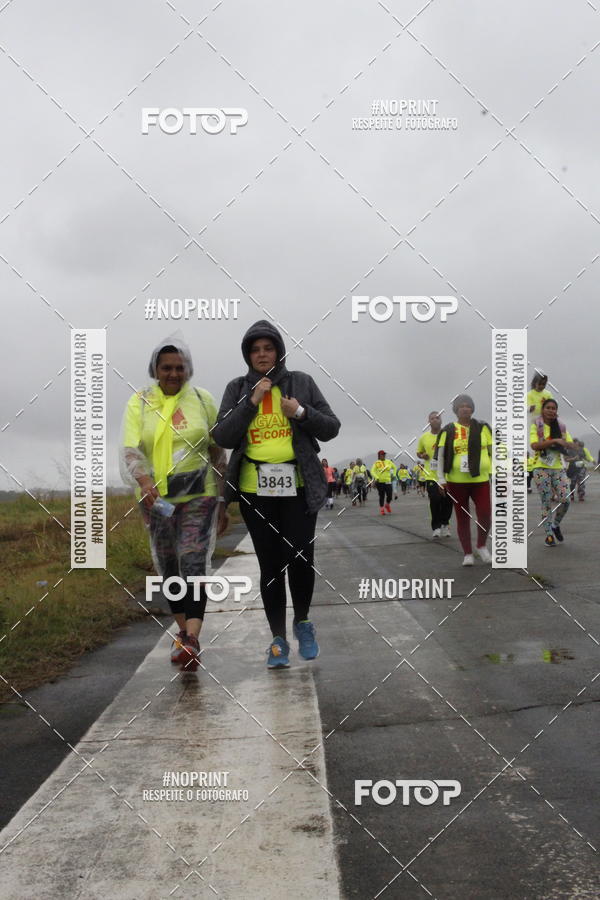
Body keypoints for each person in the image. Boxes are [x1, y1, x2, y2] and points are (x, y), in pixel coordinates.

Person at [212, 320, 340, 668]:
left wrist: (299, 411)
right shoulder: (237, 388)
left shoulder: (301, 382)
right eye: (255, 350)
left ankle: (302, 622)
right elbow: (221, 436)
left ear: (279, 351)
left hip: (298, 486)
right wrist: (250, 402)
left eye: (268, 348)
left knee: (300, 558)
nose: (262, 354)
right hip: (257, 491)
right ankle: (278, 640)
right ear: (247, 355)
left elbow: (332, 427)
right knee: (270, 566)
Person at [120, 334, 228, 671]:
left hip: (199, 494)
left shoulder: (202, 399)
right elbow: (131, 449)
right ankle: (183, 635)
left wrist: (223, 499)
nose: (173, 373)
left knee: (193, 562)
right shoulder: (139, 402)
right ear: (155, 369)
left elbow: (217, 451)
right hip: (157, 500)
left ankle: (192, 637)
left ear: (188, 369)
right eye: (166, 367)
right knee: (168, 568)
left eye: (180, 367)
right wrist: (144, 480)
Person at [435, 395, 493, 566]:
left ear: (473, 409)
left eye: (468, 406)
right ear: (455, 410)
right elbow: (440, 456)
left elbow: (493, 451)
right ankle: (467, 553)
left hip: (480, 479)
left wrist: (500, 473)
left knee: (485, 513)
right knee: (462, 517)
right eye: (461, 406)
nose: (465, 408)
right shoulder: (448, 430)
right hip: (456, 481)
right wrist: (440, 479)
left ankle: (481, 546)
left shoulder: (483, 427)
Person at [530, 399, 575, 546]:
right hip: (540, 467)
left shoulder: (561, 426)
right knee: (547, 501)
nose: (551, 410)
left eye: (553, 408)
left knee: (566, 499)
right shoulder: (536, 425)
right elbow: (535, 445)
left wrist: (567, 443)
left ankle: (556, 524)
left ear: (556, 411)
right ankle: (549, 534)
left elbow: (570, 444)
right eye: (548, 408)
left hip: (557, 467)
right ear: (543, 410)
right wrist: (554, 440)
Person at [416, 411, 453, 539]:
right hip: (431, 475)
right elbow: (419, 452)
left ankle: (445, 522)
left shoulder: (448, 435)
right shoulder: (424, 437)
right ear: (429, 422)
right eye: (432, 418)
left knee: (448, 502)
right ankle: (436, 527)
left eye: (438, 418)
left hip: (448, 475)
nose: (435, 420)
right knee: (435, 500)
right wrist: (422, 455)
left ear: (441, 420)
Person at [371, 451, 396, 515]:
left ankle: (387, 505)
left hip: (388, 481)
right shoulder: (376, 463)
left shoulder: (388, 462)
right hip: (380, 482)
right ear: (379, 455)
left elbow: (394, 467)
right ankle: (382, 509)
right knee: (382, 496)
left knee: (390, 496)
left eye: (384, 454)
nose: (384, 455)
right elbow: (372, 471)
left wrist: (394, 475)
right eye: (382, 454)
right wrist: (376, 477)